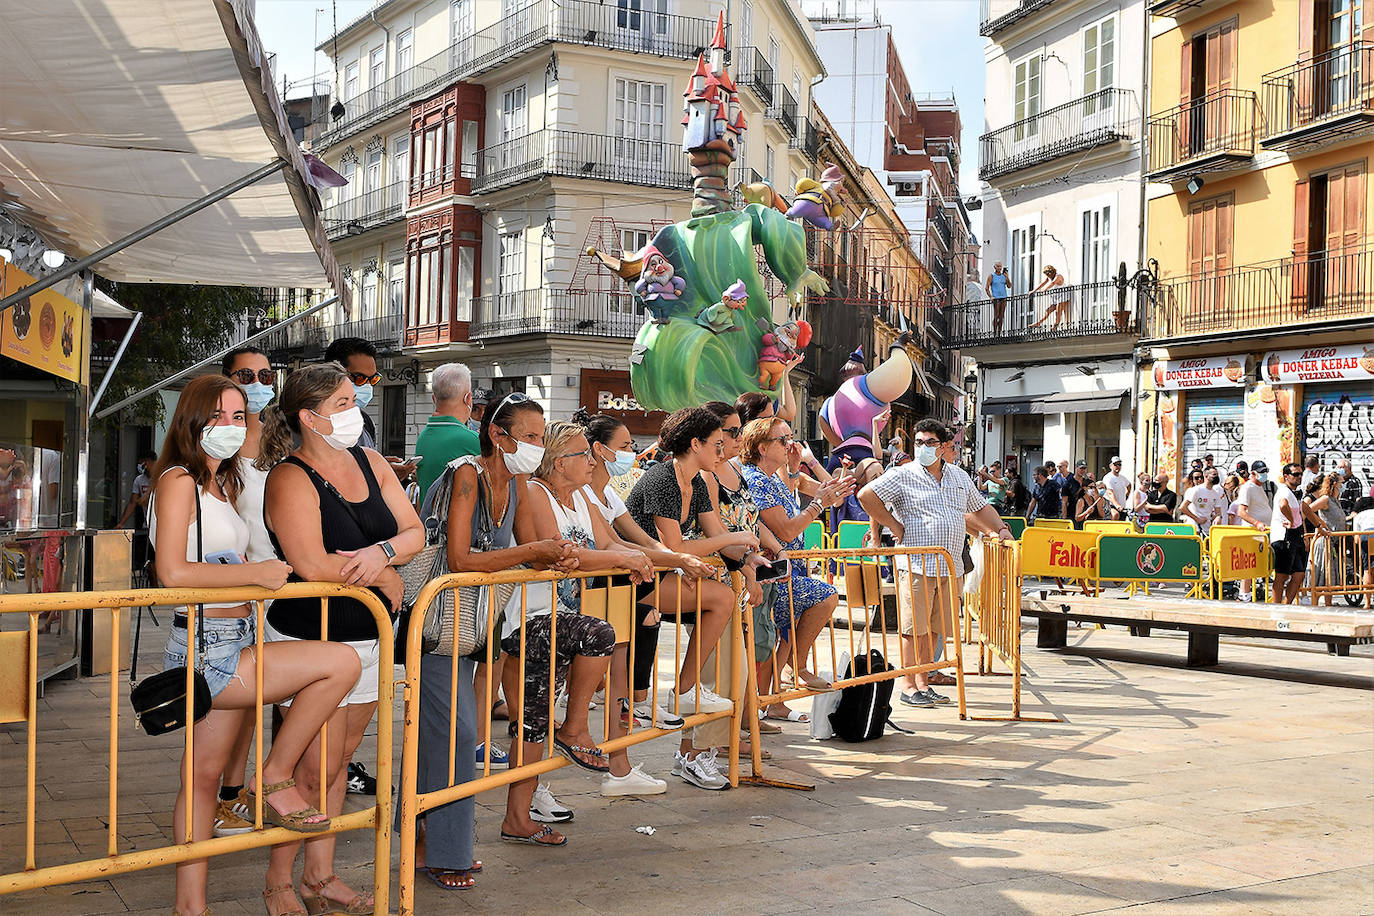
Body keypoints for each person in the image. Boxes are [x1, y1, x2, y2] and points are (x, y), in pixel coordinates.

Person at [148, 374, 360, 916]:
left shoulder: (223, 483)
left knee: (199, 780)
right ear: (191, 420)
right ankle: (274, 775)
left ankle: (189, 906)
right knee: (338, 662)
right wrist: (255, 578)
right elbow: (170, 571)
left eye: (239, 416)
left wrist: (245, 571)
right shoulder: (178, 480)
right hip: (208, 646)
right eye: (217, 415)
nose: (229, 425)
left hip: (230, 635)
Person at [260, 362, 424, 915]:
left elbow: (414, 531)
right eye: (344, 403)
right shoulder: (290, 476)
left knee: (341, 758)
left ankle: (320, 873)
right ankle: (279, 879)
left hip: (372, 635)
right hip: (316, 641)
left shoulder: (371, 460)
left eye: (355, 400)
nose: (357, 411)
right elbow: (307, 561)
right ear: (309, 418)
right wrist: (382, 570)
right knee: (311, 765)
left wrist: (383, 554)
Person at [410, 394, 577, 886]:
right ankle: (448, 852)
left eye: (540, 435)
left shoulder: (520, 484)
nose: (536, 445)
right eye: (528, 436)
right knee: (459, 734)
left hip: (478, 628)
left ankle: (423, 838)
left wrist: (558, 555)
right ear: (498, 435)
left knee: (441, 735)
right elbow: (460, 559)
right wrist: (535, 551)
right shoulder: (467, 474)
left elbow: (530, 551)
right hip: (439, 624)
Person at [572, 408, 734, 792]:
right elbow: (617, 545)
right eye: (626, 446)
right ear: (598, 451)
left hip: (619, 590)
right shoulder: (587, 492)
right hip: (597, 594)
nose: (634, 452)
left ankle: (620, 767)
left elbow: (636, 542)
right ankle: (598, 763)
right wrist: (677, 558)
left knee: (616, 686)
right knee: (585, 695)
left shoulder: (607, 493)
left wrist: (675, 559)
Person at [505, 422, 646, 837]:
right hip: (530, 618)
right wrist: (628, 561)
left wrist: (649, 558)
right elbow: (566, 556)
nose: (592, 460)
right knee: (600, 634)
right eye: (583, 453)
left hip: (561, 617)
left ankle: (516, 817)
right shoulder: (536, 493)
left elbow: (607, 545)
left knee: (530, 727)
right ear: (558, 462)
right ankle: (575, 727)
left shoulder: (583, 494)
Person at [625, 407, 758, 788]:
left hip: (662, 571)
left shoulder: (696, 482)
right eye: (716, 444)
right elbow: (677, 543)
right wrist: (736, 539)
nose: (722, 451)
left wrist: (749, 557)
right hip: (635, 578)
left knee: (721, 598)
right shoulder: (663, 478)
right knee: (720, 599)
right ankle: (683, 692)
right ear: (694, 443)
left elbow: (711, 531)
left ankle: (686, 691)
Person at [857, 419, 1012, 708]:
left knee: (935, 628)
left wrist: (1000, 528)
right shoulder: (904, 474)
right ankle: (908, 683)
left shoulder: (958, 476)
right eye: (919, 442)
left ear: (942, 447)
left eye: (929, 443)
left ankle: (924, 681)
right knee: (913, 627)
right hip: (916, 562)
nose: (923, 447)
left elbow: (980, 507)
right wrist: (894, 526)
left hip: (949, 564)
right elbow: (866, 495)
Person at [210, 347, 285, 838]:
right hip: (235, 593)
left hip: (281, 591)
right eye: (246, 375)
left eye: (265, 374)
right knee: (232, 703)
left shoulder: (284, 445)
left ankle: (240, 791)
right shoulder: (221, 452)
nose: (258, 382)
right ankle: (219, 795)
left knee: (258, 702)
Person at [740, 417, 852, 709]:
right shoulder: (756, 480)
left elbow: (830, 499)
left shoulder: (775, 477)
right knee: (825, 597)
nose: (791, 444)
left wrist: (793, 471)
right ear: (762, 448)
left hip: (786, 571)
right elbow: (787, 530)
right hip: (769, 574)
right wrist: (818, 505)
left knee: (789, 629)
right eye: (782, 439)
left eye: (792, 437)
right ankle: (793, 672)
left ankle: (772, 698)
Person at [324, 337, 416, 483]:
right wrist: (379, 471)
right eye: (360, 378)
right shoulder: (318, 422)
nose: (367, 386)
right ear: (334, 375)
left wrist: (380, 463)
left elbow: (358, 464)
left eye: (373, 379)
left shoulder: (365, 421)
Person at [415, 362, 480, 501]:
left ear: (434, 398)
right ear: (468, 398)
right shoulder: (472, 440)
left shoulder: (423, 437)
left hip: (426, 521)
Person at [1304, 472, 1346, 607]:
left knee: (1330, 577)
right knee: (1322, 576)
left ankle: (1328, 605)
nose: (1343, 485)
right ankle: (1315, 605)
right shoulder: (1325, 499)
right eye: (1341, 483)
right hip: (1325, 543)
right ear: (1335, 484)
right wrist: (1320, 524)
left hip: (1335, 543)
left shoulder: (1336, 501)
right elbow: (1307, 510)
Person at [1270, 463, 1307, 604]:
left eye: (1300, 474)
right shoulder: (1284, 491)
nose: (1299, 477)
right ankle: (1277, 606)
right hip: (1284, 536)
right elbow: (1282, 504)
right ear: (1286, 476)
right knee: (1282, 575)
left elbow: (1303, 511)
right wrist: (1290, 520)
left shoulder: (1294, 493)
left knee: (1299, 574)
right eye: (1296, 474)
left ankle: (1287, 604)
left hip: (1294, 536)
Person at [116, 449, 158, 574]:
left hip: (161, 526)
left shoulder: (162, 478)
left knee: (156, 561)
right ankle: (154, 587)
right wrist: (121, 523)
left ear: (148, 462)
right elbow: (132, 502)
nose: (140, 466)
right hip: (147, 527)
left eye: (142, 463)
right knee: (150, 561)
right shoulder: (139, 480)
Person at [1181, 468, 1224, 538]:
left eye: (1217, 475)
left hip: (1207, 530)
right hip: (1195, 529)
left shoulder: (1215, 494)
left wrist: (1218, 517)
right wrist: (1197, 519)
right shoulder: (1196, 490)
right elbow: (1183, 507)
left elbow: (1218, 512)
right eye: (1214, 474)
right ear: (1206, 476)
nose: (1216, 477)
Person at [1027, 265, 1070, 331]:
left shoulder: (1058, 276)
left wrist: (1045, 289)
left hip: (1063, 296)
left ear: (1051, 273)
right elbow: (1042, 283)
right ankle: (1038, 323)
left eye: (1047, 274)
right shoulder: (1049, 277)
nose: (1047, 276)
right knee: (1048, 311)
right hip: (1056, 297)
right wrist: (1034, 291)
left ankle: (1055, 326)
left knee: (1058, 310)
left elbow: (1053, 283)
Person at [1102, 456, 1131, 521]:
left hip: (1122, 507)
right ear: (1110, 466)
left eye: (1119, 464)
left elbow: (1129, 485)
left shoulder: (1122, 478)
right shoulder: (1108, 477)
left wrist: (1127, 494)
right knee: (1115, 515)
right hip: (1111, 506)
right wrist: (1117, 505)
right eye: (1115, 464)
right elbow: (1110, 493)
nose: (1117, 466)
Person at [985, 261, 1010, 335]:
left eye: (1000, 266)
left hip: (1004, 297)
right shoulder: (991, 276)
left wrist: (1007, 277)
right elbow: (987, 288)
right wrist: (991, 296)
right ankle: (995, 332)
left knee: (1002, 316)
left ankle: (999, 332)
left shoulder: (1004, 276)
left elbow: (1009, 286)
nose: (999, 268)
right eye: (998, 266)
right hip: (996, 298)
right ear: (995, 267)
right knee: (996, 315)